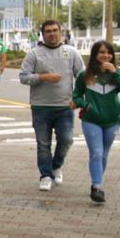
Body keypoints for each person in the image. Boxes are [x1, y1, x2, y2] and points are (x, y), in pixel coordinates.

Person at [19, 20, 84, 192]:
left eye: (55, 30)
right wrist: (42, 77)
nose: (52, 34)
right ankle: (46, 175)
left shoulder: (71, 53)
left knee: (67, 139)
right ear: (43, 34)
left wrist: (79, 99)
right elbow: (24, 77)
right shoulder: (34, 54)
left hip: (65, 107)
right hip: (41, 107)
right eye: (48, 31)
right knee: (43, 143)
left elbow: (83, 77)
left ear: (61, 32)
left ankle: (57, 165)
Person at [72, 40, 120, 203]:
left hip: (113, 120)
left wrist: (115, 73)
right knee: (96, 152)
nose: (106, 55)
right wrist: (85, 105)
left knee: (104, 154)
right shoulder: (85, 74)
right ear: (95, 54)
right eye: (101, 52)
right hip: (91, 120)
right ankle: (97, 186)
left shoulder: (119, 72)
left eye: (109, 53)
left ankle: (97, 182)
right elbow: (76, 96)